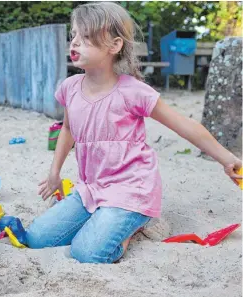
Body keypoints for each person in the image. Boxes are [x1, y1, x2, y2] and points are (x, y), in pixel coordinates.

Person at [26, 2, 242, 264]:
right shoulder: (70, 87)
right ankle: (105, 219)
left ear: (114, 46)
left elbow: (185, 125)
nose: (74, 43)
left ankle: (136, 225)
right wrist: (54, 172)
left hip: (131, 189)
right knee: (36, 238)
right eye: (73, 36)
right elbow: (69, 129)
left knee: (88, 252)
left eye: (85, 38)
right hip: (92, 188)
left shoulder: (133, 91)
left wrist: (227, 158)